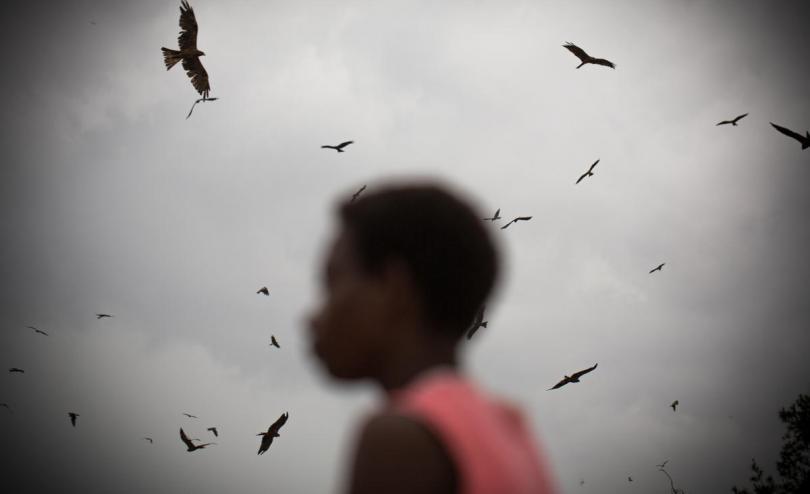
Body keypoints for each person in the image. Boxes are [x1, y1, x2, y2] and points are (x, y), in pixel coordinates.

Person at [308, 181, 558, 494]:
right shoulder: (511, 430)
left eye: (331, 285)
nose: (312, 318)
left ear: (393, 289)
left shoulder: (400, 437)